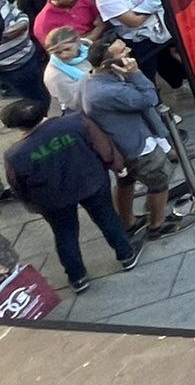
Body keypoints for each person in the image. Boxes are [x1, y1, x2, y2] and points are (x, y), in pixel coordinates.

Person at [1, 98, 139, 292]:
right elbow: (103, 147)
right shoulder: (75, 122)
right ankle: (126, 255)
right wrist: (117, 165)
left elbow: (18, 185)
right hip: (91, 181)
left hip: (54, 199)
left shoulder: (15, 154)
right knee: (107, 218)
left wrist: (32, 205)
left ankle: (77, 277)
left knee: (64, 235)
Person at [81, 34, 184, 242]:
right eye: (122, 51)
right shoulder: (108, 91)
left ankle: (127, 222)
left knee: (125, 182)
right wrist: (136, 73)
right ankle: (157, 224)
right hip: (136, 146)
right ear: (107, 63)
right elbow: (148, 98)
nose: (128, 51)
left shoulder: (96, 79)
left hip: (122, 144)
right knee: (159, 181)